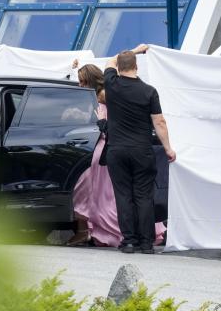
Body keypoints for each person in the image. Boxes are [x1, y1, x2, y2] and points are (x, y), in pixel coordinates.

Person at [67, 62, 166, 247]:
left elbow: (113, 121)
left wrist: (102, 122)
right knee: (117, 195)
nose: (80, 85)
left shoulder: (104, 95)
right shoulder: (98, 94)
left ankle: (122, 235)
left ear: (91, 80)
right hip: (116, 146)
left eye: (82, 81)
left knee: (113, 195)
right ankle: (136, 238)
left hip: (109, 146)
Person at [104, 44, 176, 254]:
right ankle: (146, 243)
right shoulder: (149, 91)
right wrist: (168, 148)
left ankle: (128, 241)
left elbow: (111, 60)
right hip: (142, 150)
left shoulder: (111, 83)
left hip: (116, 150)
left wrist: (134, 50)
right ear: (136, 67)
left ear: (119, 67)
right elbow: (159, 122)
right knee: (144, 196)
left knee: (123, 195)